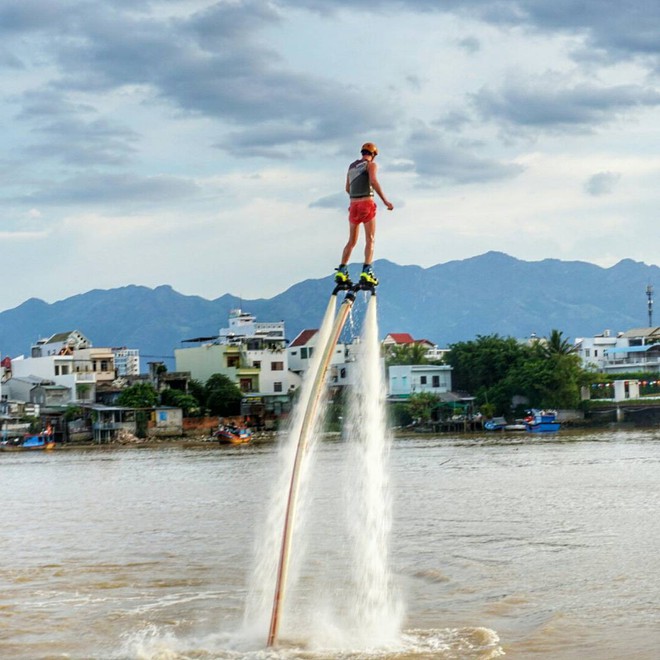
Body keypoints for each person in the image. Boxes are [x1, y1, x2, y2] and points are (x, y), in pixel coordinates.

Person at [334, 142, 393, 286]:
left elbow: (347, 188)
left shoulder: (352, 166)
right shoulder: (371, 165)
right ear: (373, 155)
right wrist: (385, 201)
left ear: (362, 152)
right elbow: (373, 181)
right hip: (366, 204)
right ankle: (367, 271)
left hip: (353, 205)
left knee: (351, 241)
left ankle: (342, 270)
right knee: (370, 239)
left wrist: (356, 197)